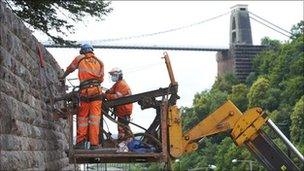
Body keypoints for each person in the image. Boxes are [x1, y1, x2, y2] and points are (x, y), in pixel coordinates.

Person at [59, 43, 104, 150]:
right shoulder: (99, 62)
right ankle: (94, 144)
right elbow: (101, 78)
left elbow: (70, 68)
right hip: (97, 93)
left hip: (85, 92)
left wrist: (63, 76)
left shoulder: (80, 58)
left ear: (82, 51)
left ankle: (80, 143)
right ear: (91, 51)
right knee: (94, 119)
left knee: (82, 118)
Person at [105, 67, 133, 142]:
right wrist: (107, 92)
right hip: (121, 111)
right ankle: (125, 142)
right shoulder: (117, 84)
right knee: (123, 128)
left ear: (118, 75)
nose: (112, 77)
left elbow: (116, 97)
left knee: (123, 129)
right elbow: (111, 91)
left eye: (113, 75)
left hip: (124, 111)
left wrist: (106, 96)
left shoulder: (122, 85)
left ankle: (125, 143)